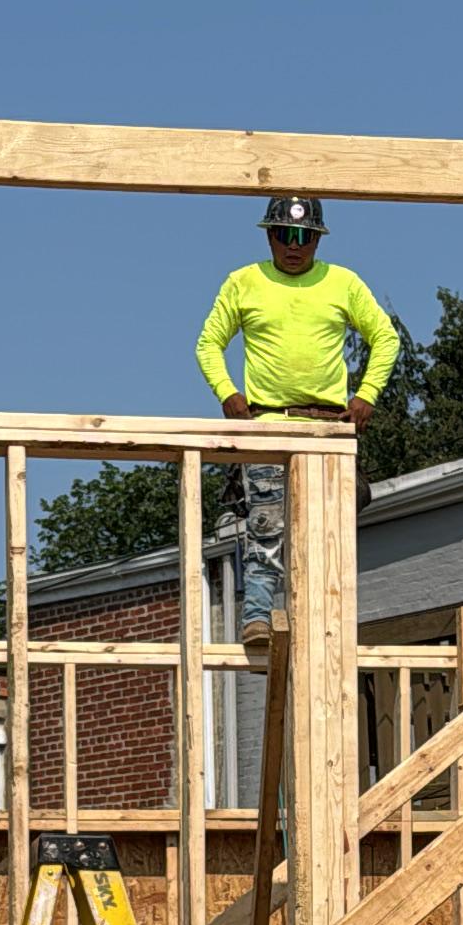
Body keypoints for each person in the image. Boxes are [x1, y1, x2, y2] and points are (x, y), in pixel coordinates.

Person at [196, 194, 400, 649]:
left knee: (327, 527)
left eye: (305, 237)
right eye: (286, 235)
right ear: (270, 236)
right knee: (266, 522)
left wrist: (366, 395)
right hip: (268, 421)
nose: (295, 246)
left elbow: (384, 337)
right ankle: (258, 615)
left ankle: (325, 618)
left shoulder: (342, 282)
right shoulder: (244, 282)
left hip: (327, 427)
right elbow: (208, 343)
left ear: (317, 240)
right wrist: (227, 393)